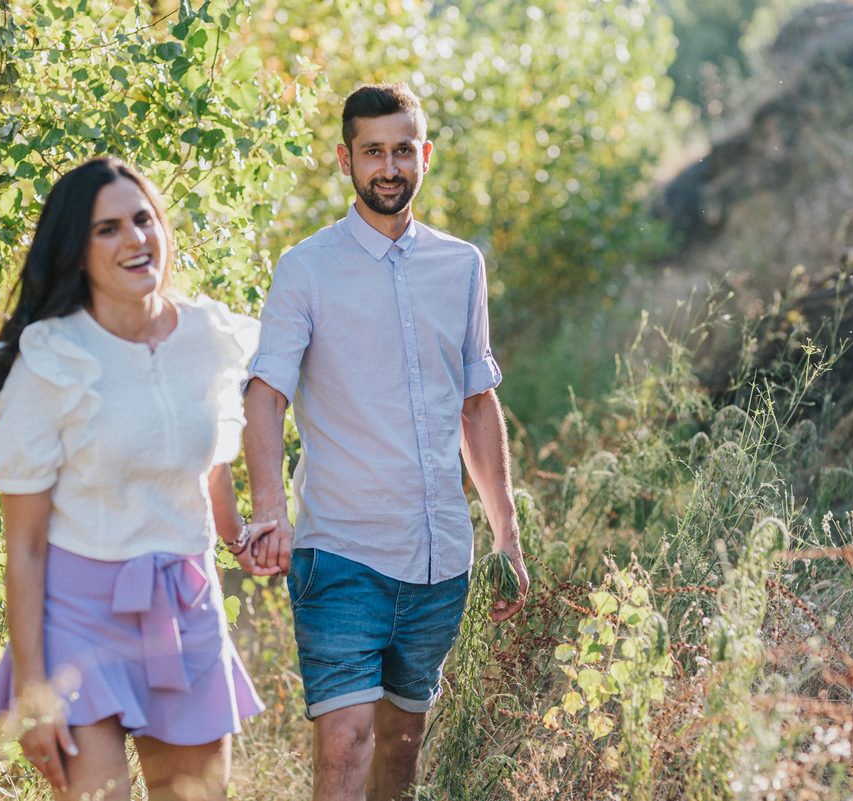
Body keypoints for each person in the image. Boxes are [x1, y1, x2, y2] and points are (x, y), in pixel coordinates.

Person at [242, 84, 531, 801]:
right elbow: (264, 395)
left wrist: (507, 536)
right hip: (339, 551)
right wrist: (271, 508)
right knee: (345, 742)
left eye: (404, 149)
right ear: (346, 160)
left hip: (437, 557)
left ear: (424, 155)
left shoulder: (461, 266)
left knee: (400, 748)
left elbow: (476, 404)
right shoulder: (305, 268)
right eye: (374, 151)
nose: (390, 166)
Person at [0, 157, 278, 801]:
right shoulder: (52, 359)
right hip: (78, 614)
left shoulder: (206, 337)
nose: (136, 240)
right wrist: (35, 693)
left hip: (185, 604)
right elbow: (25, 547)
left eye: (143, 220)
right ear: (76, 251)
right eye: (107, 229)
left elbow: (207, 457)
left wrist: (236, 534)